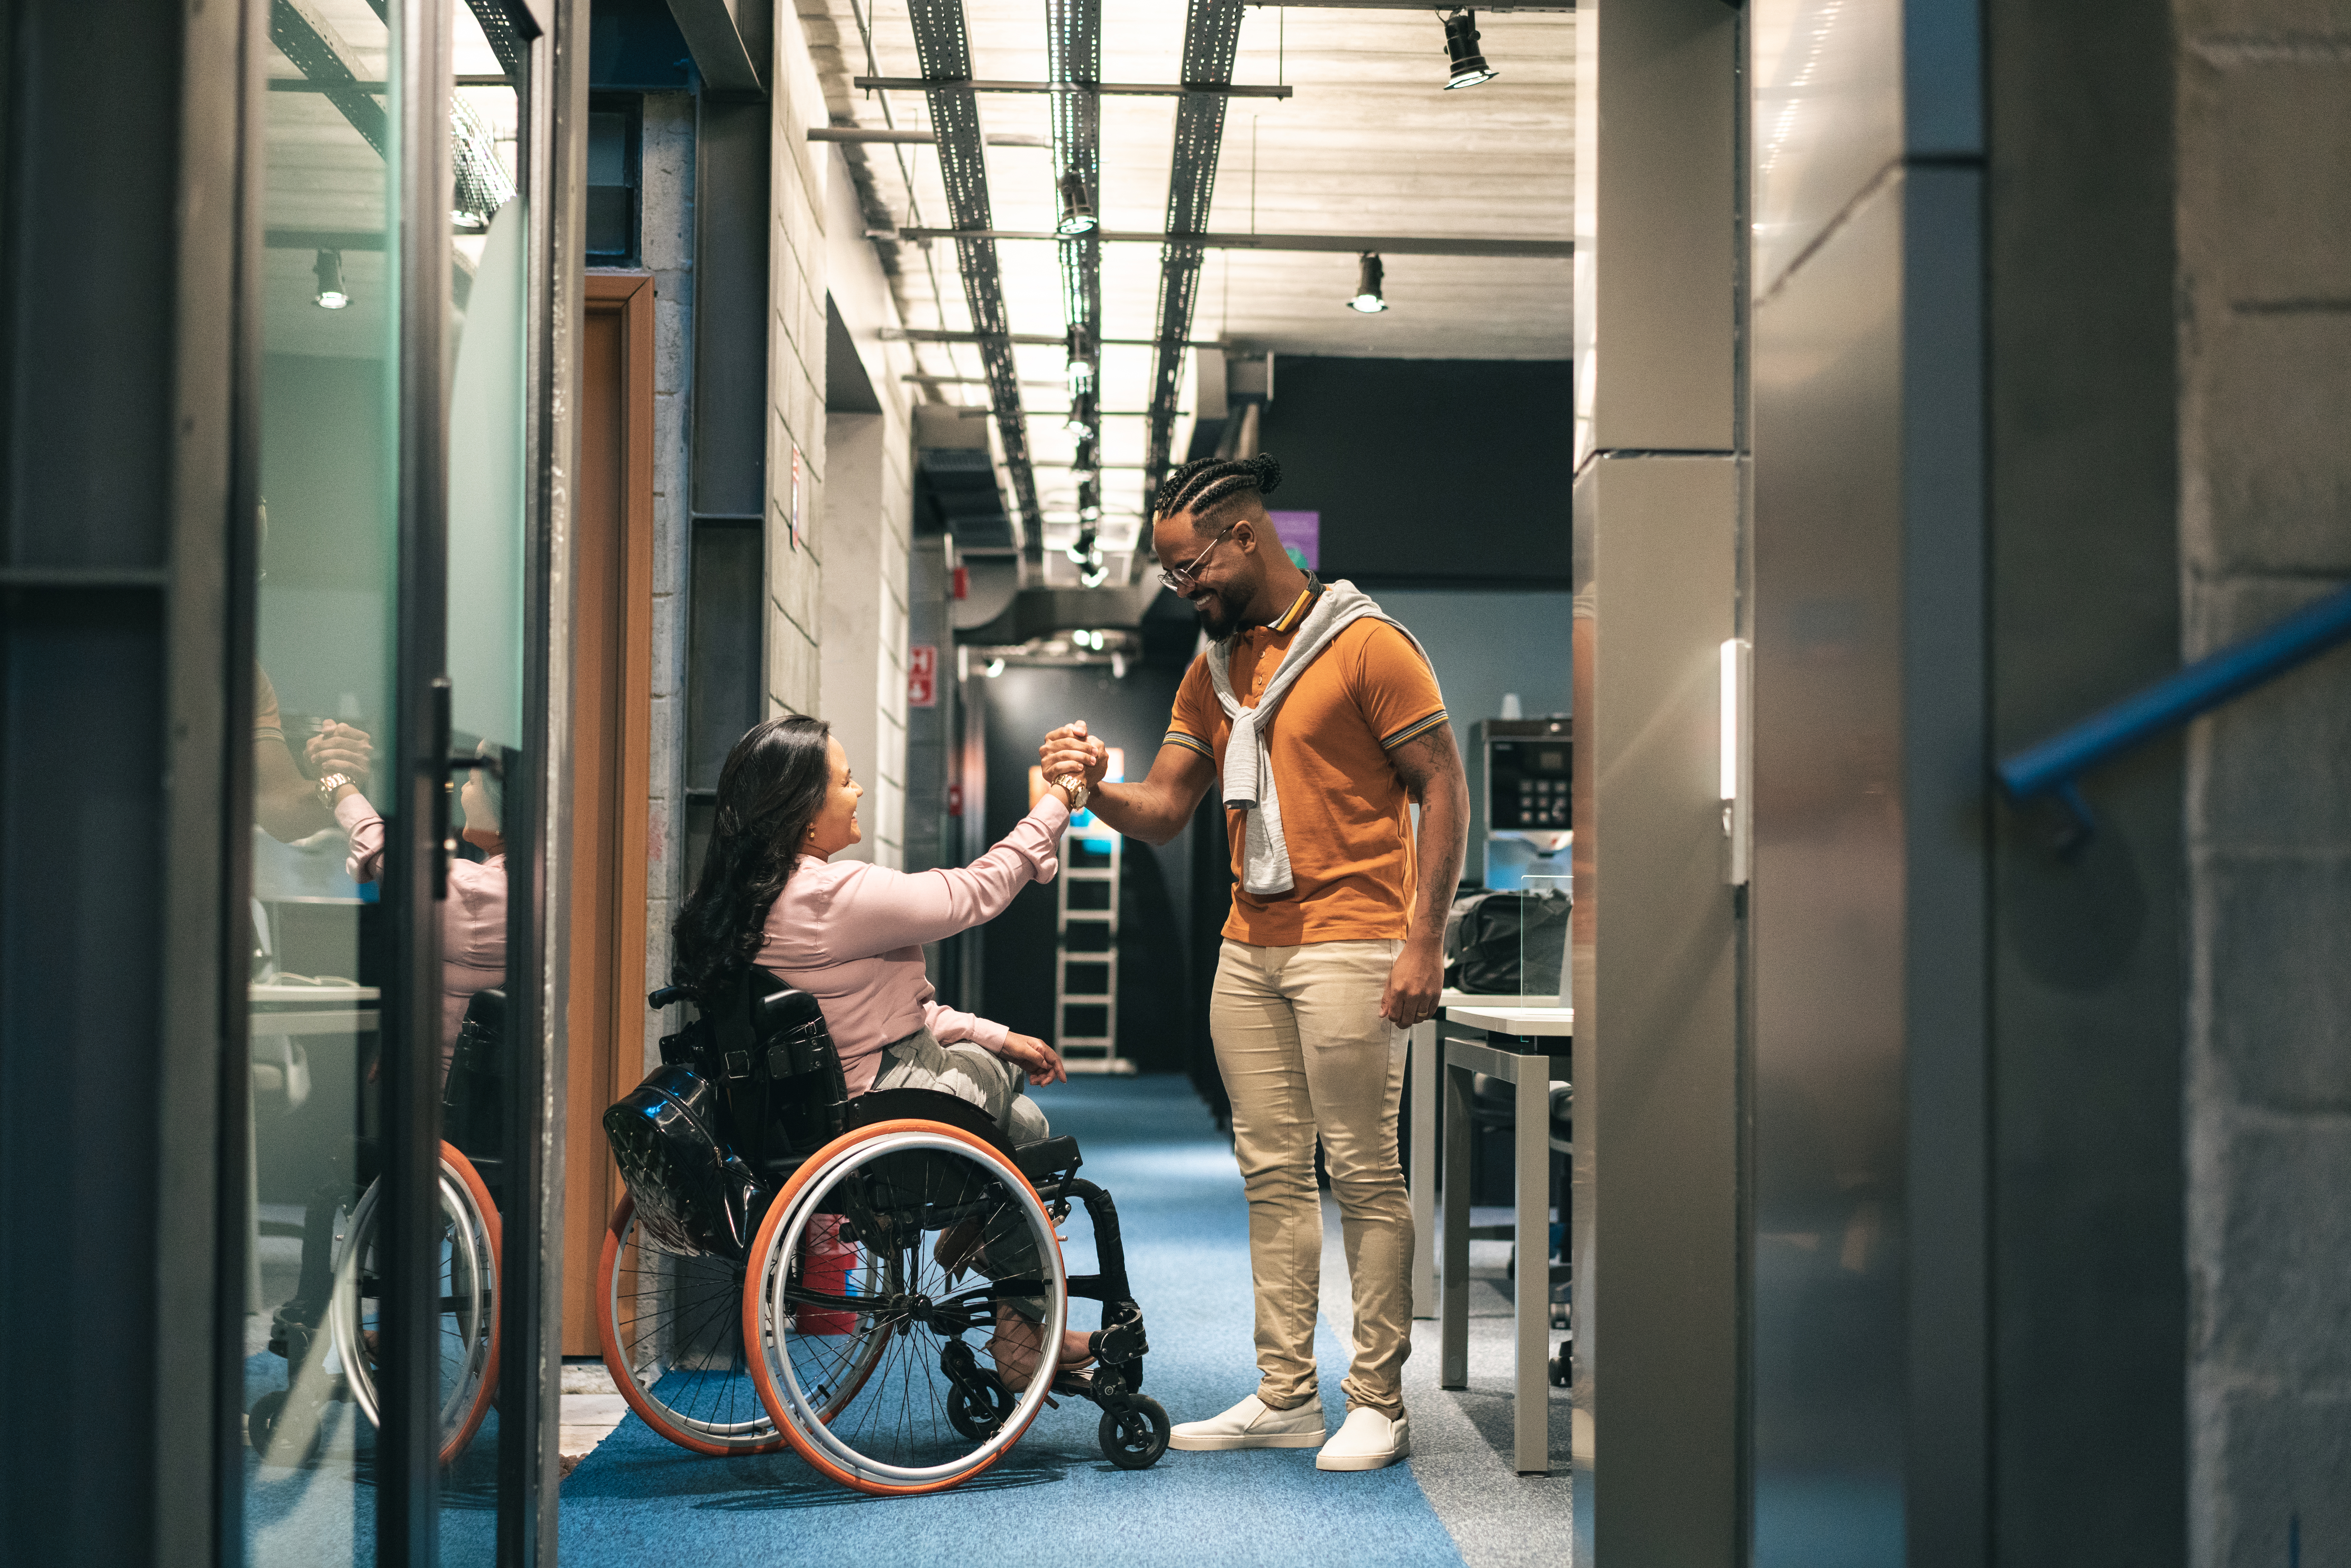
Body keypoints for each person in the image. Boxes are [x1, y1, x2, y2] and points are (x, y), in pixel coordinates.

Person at [1039, 452, 1469, 1472]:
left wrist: (1424, 937)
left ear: (1245, 536)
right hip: (1250, 950)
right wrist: (1094, 786)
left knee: (1362, 1172)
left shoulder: (1366, 645)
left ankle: (1378, 1400)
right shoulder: (1216, 671)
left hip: (1354, 939)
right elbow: (1164, 809)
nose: (1180, 588)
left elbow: (1441, 784)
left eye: (1189, 568)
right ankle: (1286, 1395)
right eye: (1168, 574)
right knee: (1272, 1177)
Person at [669, 714, 1092, 1385]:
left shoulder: (732, 904)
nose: (859, 790)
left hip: (797, 1119)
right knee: (1022, 1117)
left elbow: (877, 1017)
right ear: (803, 812)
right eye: (845, 781)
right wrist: (1060, 797)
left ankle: (1009, 1291)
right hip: (880, 1112)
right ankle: (1016, 1321)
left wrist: (994, 1033)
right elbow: (978, 889)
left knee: (1018, 1115)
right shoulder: (832, 895)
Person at [324, 745, 507, 1084]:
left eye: (472, 781)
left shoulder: (480, 891)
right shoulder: (517, 878)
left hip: (443, 1095)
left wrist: (336, 783)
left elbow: (384, 853)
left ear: (504, 806)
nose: (463, 791)